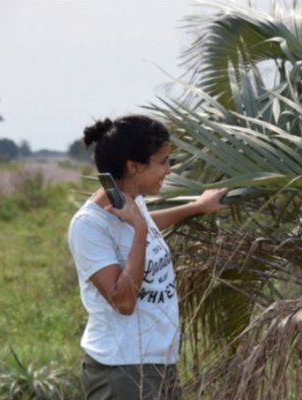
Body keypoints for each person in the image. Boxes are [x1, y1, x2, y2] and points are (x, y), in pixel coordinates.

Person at [68, 115, 228, 399]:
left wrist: (196, 207)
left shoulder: (131, 202)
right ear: (134, 166)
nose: (169, 169)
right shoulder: (88, 226)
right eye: (164, 161)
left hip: (156, 363)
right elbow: (124, 301)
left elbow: (148, 223)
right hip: (123, 370)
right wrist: (139, 229)